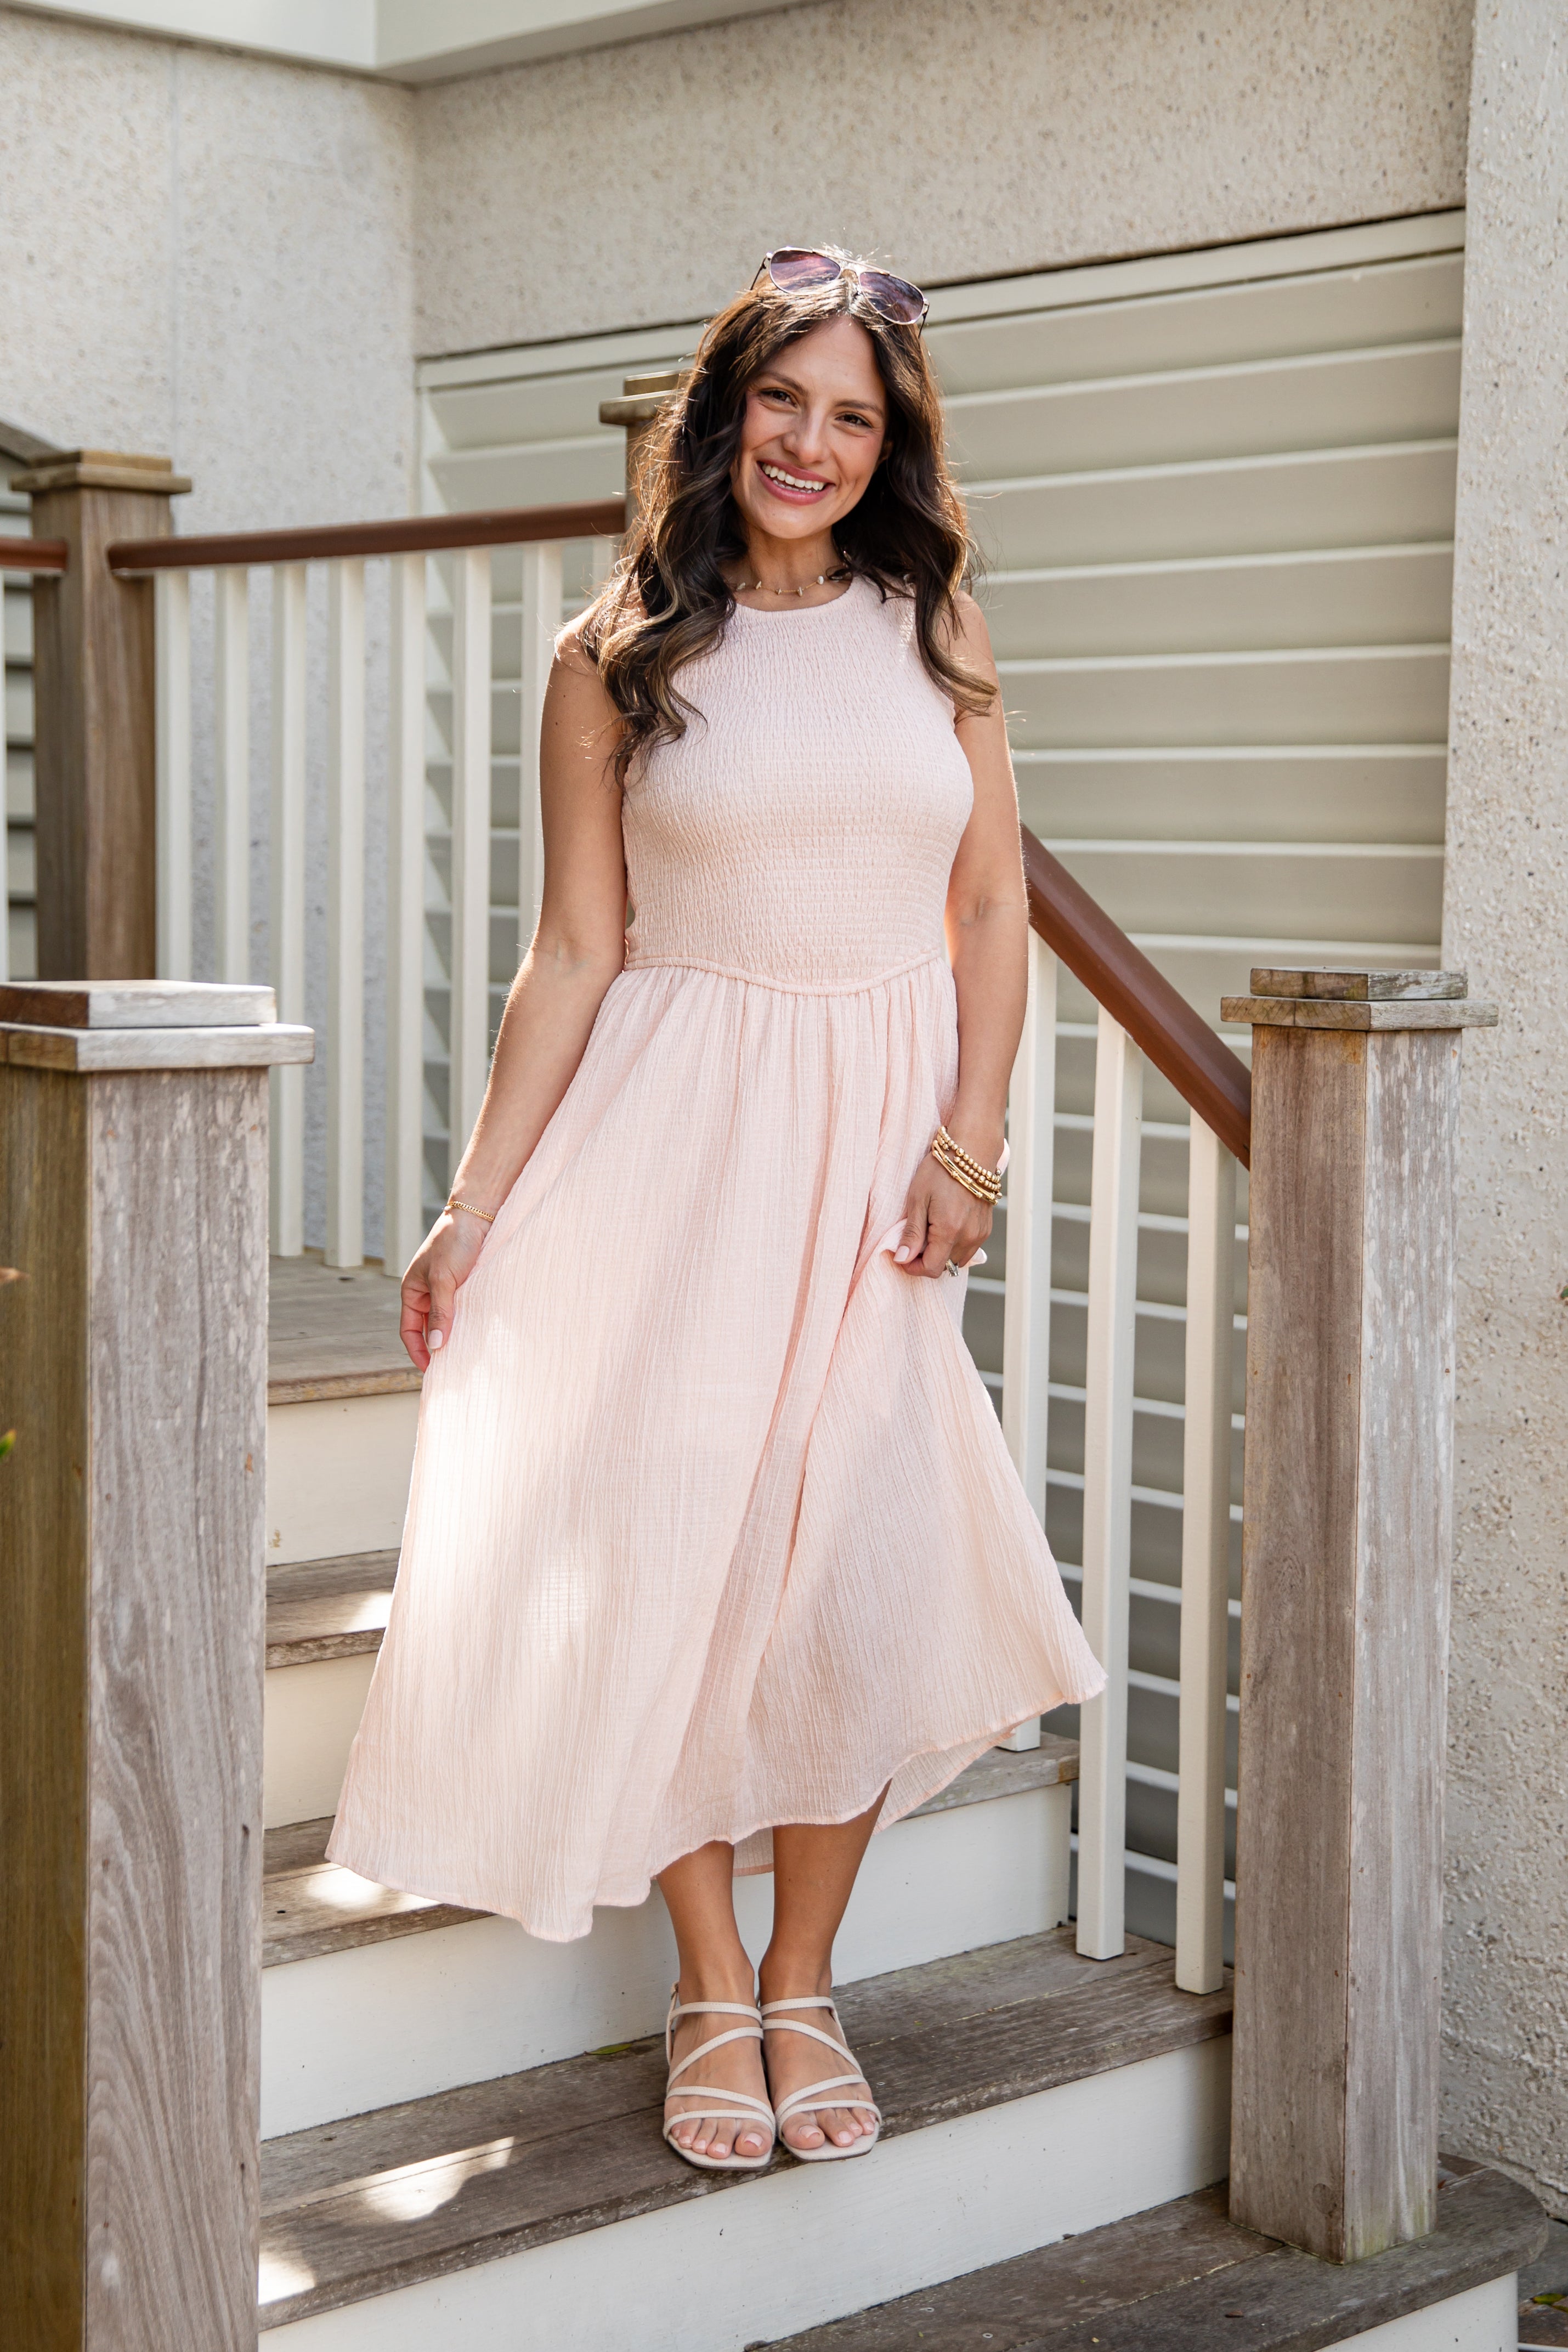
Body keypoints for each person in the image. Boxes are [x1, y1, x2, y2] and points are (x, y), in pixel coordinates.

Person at [329, 245, 1105, 2172]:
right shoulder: (612, 656)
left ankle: (805, 1975)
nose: (812, 444)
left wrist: (969, 1138)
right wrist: (470, 1205)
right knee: (675, 1544)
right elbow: (575, 952)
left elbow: (992, 908)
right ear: (722, 407)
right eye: (783, 402)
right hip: (666, 1141)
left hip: (873, 1164)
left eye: (853, 416)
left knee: (860, 1549)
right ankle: (704, 1979)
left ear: (888, 444)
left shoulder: (937, 629)